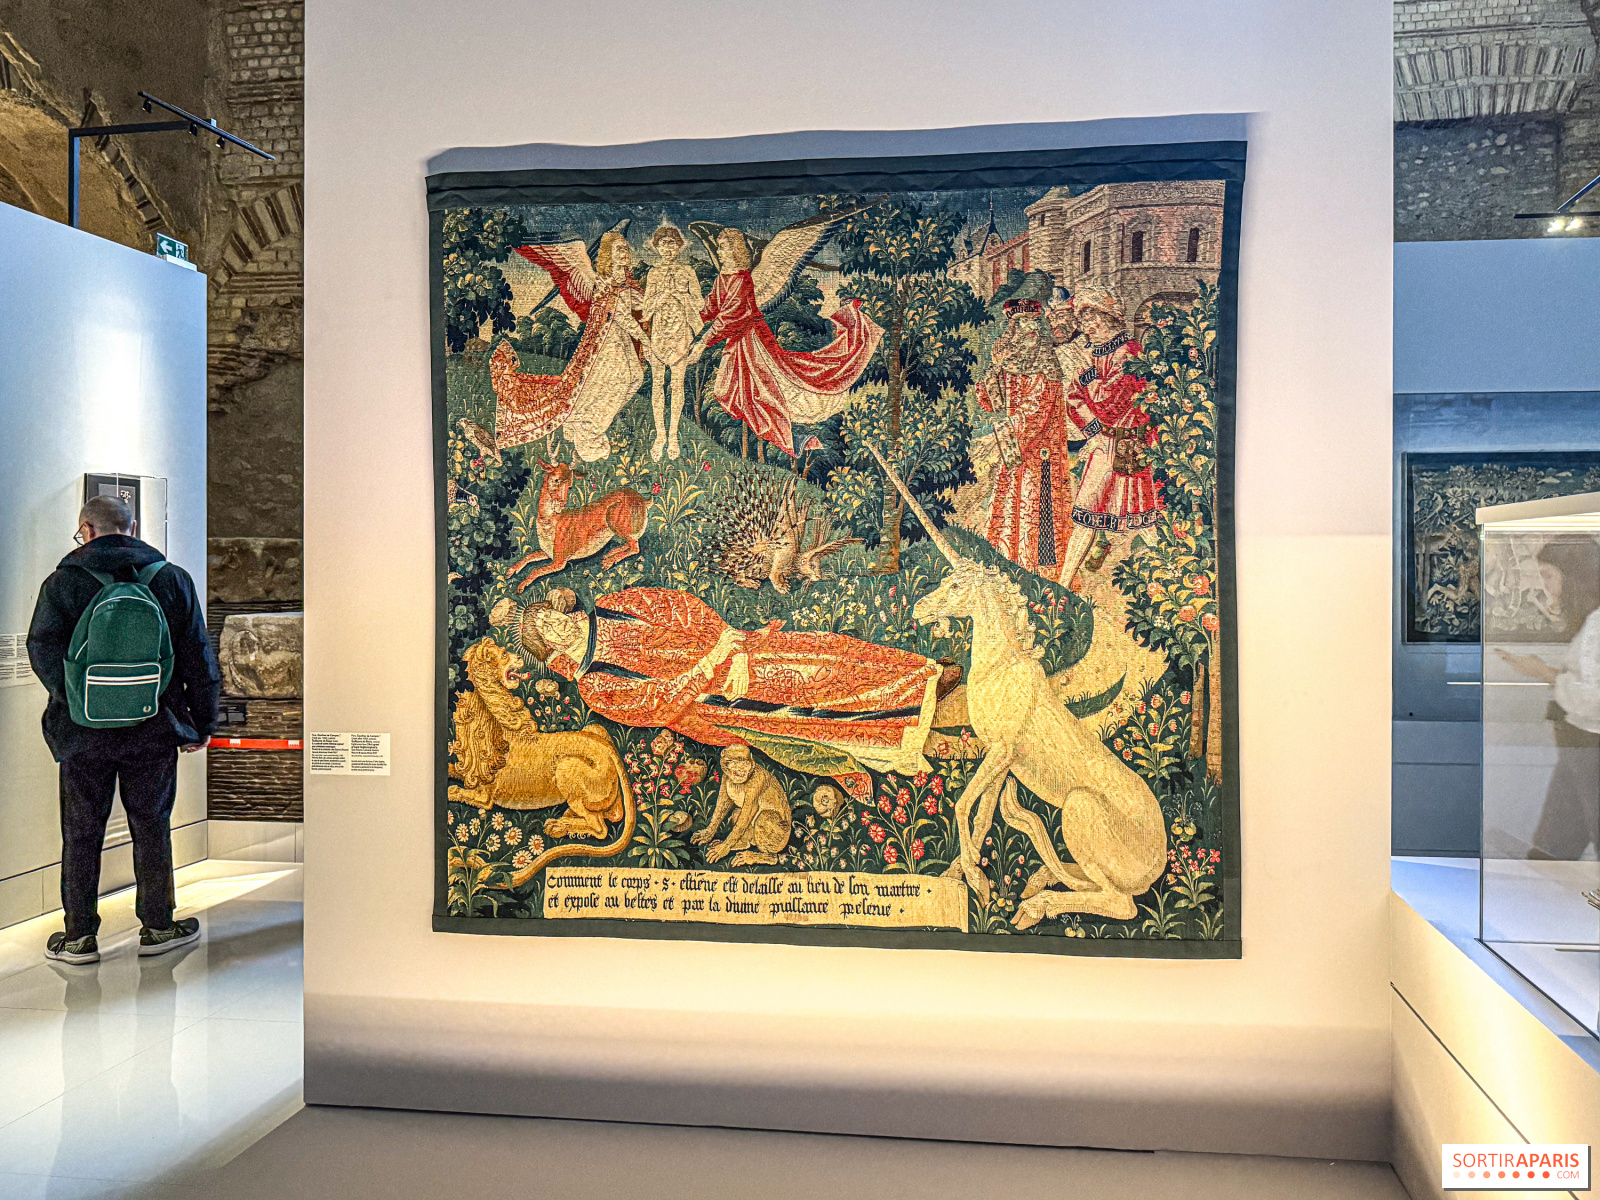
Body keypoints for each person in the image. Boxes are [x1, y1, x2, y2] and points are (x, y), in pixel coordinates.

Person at [26, 495, 220, 964]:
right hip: (154, 727)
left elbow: (41, 649)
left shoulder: (63, 582)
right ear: (133, 528)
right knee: (151, 825)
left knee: (81, 831)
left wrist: (78, 700)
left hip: (81, 732)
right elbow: (198, 656)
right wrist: (201, 722)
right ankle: (158, 927)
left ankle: (78, 937)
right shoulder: (171, 579)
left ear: (87, 530)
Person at [491, 586, 959, 778]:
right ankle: (903, 723)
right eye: (548, 631)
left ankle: (920, 678)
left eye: (552, 617)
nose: (559, 625)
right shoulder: (594, 685)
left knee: (824, 651)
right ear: (550, 650)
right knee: (809, 696)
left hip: (731, 648)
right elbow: (658, 703)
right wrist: (712, 667)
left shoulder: (613, 606)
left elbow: (679, 607)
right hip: (715, 703)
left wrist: (726, 644)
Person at [687, 226, 881, 457]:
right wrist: (686, 325)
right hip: (738, 341)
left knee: (762, 389)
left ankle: (791, 438)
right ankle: (792, 437)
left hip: (753, 341)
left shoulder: (743, 280)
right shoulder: (724, 278)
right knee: (733, 393)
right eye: (719, 247)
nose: (719, 252)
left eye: (723, 247)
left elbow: (731, 316)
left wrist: (702, 343)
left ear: (735, 249)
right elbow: (710, 309)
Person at [492, 230, 649, 461]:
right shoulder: (603, 282)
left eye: (626, 248)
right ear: (609, 254)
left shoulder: (627, 282)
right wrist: (645, 340)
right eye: (619, 249)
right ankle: (589, 429)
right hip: (605, 342)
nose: (624, 252)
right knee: (625, 378)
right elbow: (622, 316)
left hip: (621, 339)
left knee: (633, 378)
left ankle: (582, 421)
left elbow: (642, 305)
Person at [1056, 283, 1164, 588]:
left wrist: (1087, 378)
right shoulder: (1097, 354)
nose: (1087, 328)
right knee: (1085, 515)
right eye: (1083, 321)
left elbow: (1108, 402)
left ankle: (1174, 573)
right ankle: (1062, 584)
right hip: (1105, 444)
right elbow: (1073, 399)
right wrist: (1095, 433)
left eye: (1092, 320)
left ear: (1110, 318)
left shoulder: (1129, 352)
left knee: (1144, 520)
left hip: (1131, 446)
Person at [975, 297, 1074, 579]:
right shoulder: (1011, 358)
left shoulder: (1046, 361)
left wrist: (1002, 436)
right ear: (1013, 328)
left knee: (1039, 505)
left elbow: (1039, 409)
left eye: (1033, 322)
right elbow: (992, 403)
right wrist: (993, 373)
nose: (1030, 329)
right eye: (1022, 323)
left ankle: (1041, 571)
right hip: (1015, 447)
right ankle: (1008, 562)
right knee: (1011, 503)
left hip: (1041, 449)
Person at [640, 223, 704, 462]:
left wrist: (681, 295)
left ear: (679, 246)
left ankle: (674, 436)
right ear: (656, 247)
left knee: (677, 385)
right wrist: (661, 296)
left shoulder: (688, 271)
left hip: (680, 333)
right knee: (657, 385)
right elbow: (646, 309)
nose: (668, 249)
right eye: (663, 244)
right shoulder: (653, 273)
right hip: (659, 334)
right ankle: (660, 436)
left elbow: (699, 303)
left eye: (672, 244)